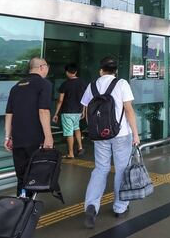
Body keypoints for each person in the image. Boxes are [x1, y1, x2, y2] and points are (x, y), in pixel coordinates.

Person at [82, 58, 140, 228]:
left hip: (100, 136)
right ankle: (120, 207)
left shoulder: (92, 86)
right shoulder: (121, 84)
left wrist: (95, 130)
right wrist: (135, 134)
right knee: (121, 169)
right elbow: (128, 110)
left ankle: (91, 205)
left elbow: (85, 111)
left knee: (100, 169)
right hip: (121, 134)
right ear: (115, 71)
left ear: (101, 70)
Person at [4, 57, 53, 195]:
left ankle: (22, 204)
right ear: (42, 67)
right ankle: (29, 208)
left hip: (18, 138)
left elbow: (9, 113)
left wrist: (8, 137)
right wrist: (48, 136)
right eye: (47, 66)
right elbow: (43, 110)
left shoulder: (16, 86)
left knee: (21, 176)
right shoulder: (44, 84)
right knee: (34, 175)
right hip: (35, 138)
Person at [52, 63, 88, 159]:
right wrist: (83, 111)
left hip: (67, 111)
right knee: (77, 129)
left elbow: (60, 100)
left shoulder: (65, 84)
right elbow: (85, 98)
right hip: (79, 111)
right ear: (76, 72)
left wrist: (56, 114)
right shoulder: (83, 83)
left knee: (69, 132)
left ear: (67, 72)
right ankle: (80, 147)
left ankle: (71, 153)